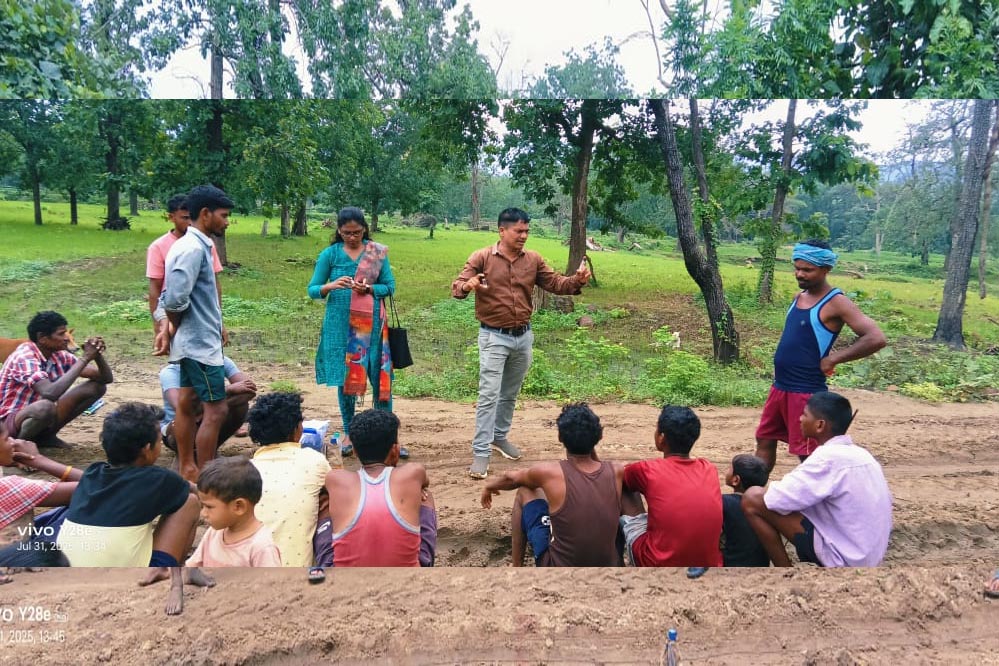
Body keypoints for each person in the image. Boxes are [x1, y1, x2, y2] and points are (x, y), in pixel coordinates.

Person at [452, 207, 591, 479]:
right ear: (502, 231)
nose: (524, 235)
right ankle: (481, 452)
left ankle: (499, 436)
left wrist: (577, 281)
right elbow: (457, 287)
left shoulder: (533, 260)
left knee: (509, 393)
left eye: (527, 230)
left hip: (523, 337)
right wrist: (468, 286)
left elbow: (556, 283)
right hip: (494, 337)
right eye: (519, 231)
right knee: (489, 395)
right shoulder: (482, 257)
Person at [755, 240, 886, 472]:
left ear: (826, 269)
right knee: (765, 440)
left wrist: (834, 358)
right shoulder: (799, 297)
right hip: (780, 387)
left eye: (807, 270)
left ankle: (818, 495)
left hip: (805, 391)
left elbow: (876, 338)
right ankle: (751, 492)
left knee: (808, 454)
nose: (799, 274)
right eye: (797, 268)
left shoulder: (837, 302)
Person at [742, 392, 893, 567]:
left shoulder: (827, 458)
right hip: (867, 555)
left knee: (753, 498)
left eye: (805, 415)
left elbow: (777, 499)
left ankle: (784, 570)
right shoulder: (862, 454)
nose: (799, 419)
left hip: (845, 559)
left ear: (820, 425)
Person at [307, 207, 406, 459]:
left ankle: (388, 438)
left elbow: (390, 287)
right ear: (339, 231)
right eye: (347, 233)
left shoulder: (375, 253)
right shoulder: (330, 254)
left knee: (380, 378)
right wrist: (331, 285)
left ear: (364, 229)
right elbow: (313, 289)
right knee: (346, 379)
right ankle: (350, 432)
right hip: (340, 326)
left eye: (357, 232)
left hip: (371, 327)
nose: (352, 237)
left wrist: (370, 289)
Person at [54, 403, 201, 568]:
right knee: (190, 502)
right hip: (127, 576)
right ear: (147, 449)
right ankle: (171, 572)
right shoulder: (158, 479)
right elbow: (199, 492)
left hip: (66, 568)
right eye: (160, 441)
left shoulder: (92, 473)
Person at [480, 403, 623, 567]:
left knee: (525, 490)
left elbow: (511, 479)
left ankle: (516, 567)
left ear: (560, 437)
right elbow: (594, 474)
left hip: (557, 568)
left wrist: (489, 486)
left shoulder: (549, 473)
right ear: (600, 436)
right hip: (608, 567)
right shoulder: (617, 471)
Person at [158, 184, 233, 483]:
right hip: (199, 345)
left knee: (188, 403)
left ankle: (187, 467)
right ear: (205, 213)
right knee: (216, 410)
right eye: (223, 215)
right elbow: (175, 299)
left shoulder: (199, 245)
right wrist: (173, 326)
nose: (227, 222)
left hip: (198, 340)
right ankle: (207, 475)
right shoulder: (191, 249)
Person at [326, 409, 437, 567]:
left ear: (355, 451)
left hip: (347, 581)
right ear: (395, 450)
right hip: (408, 580)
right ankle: (426, 564)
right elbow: (425, 482)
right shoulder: (414, 472)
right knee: (425, 496)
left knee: (325, 503)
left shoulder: (335, 479)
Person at [619, 406, 723, 568]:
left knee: (623, 486)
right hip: (708, 566)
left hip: (657, 563)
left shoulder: (647, 469)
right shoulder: (709, 468)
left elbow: (619, 475)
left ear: (661, 438)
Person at [0, 311, 113, 448]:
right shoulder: (25, 356)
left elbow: (106, 378)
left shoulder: (58, 354)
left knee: (96, 387)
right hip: (7, 422)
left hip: (36, 417)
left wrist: (97, 355)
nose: (66, 338)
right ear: (42, 338)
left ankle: (45, 437)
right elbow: (49, 393)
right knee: (45, 407)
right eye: (61, 334)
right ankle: (18, 445)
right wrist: (85, 358)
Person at [247, 392, 331, 574]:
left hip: (249, 574)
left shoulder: (244, 471)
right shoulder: (315, 460)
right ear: (296, 429)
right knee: (328, 501)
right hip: (299, 573)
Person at [0, 419, 80, 583]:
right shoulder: (12, 487)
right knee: (73, 511)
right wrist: (38, 459)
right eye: (7, 438)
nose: (14, 442)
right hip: (10, 561)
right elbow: (99, 488)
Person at [146, 194, 225, 340]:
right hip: (173, 314)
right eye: (184, 218)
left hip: (201, 315)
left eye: (191, 217)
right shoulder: (158, 247)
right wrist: (159, 324)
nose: (189, 222)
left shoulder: (206, 244)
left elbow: (214, 283)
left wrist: (219, 321)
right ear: (171, 217)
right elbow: (155, 287)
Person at [186, 456, 282, 567]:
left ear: (239, 506)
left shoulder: (261, 548)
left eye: (209, 507)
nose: (203, 513)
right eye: (202, 506)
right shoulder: (214, 533)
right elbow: (192, 567)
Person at [158, 356, 255, 459]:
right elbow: (182, 408)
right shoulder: (170, 373)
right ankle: (187, 455)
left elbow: (249, 390)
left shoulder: (221, 361)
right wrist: (227, 390)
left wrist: (209, 408)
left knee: (240, 405)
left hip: (204, 417)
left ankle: (210, 449)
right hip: (176, 429)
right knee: (185, 418)